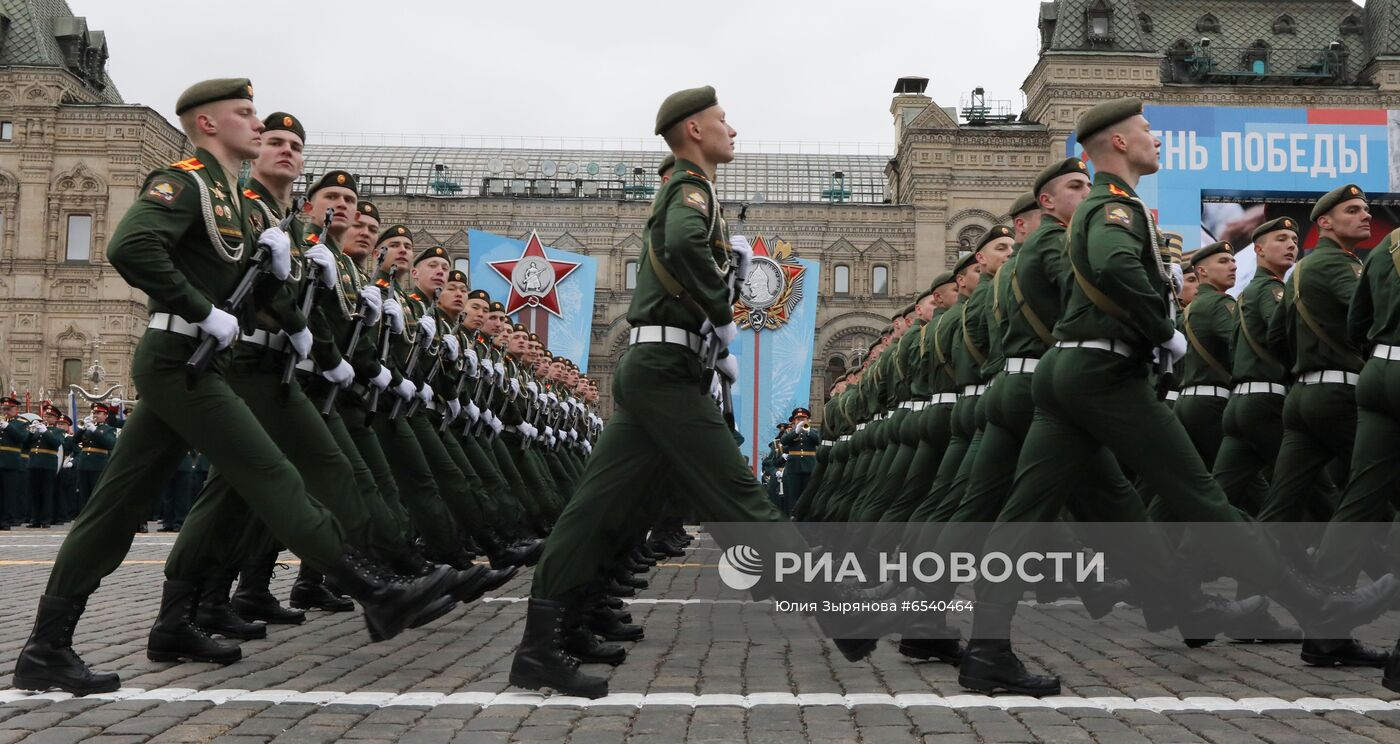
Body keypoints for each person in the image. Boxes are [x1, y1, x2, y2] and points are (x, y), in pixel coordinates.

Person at [12, 79, 452, 696]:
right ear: (208, 124)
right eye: (245, 113)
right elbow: (131, 246)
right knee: (271, 473)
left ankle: (50, 646)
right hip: (177, 356)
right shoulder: (184, 180)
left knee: (116, 507)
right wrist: (201, 307)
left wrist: (293, 315)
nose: (257, 122)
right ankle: (375, 590)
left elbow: (253, 292)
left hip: (200, 361)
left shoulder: (239, 204)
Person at [956, 98, 1397, 697]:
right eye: (1145, 131)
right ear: (1117, 143)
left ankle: (988, 648)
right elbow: (1115, 268)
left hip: (1070, 368)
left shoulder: (1104, 205)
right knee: (1201, 496)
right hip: (1102, 370)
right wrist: (1161, 330)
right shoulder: (1113, 205)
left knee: (1022, 513)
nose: (1154, 140)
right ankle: (1314, 603)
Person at [510, 86, 892, 700]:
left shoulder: (693, 189)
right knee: (741, 498)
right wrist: (720, 300)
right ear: (693, 130)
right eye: (722, 120)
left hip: (659, 366)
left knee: (597, 509)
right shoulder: (691, 189)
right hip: (666, 367)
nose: (732, 130)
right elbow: (686, 244)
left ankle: (544, 643)